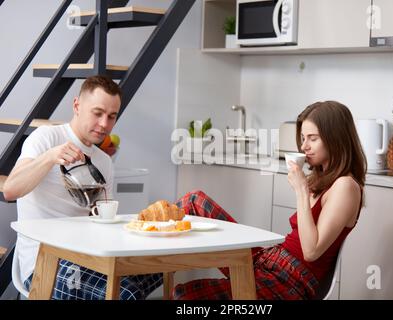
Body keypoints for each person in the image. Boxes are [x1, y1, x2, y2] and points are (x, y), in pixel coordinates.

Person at [172, 101, 367, 300]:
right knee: (195, 201)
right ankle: (138, 284)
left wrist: (301, 190)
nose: (304, 146)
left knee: (182, 295)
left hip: (287, 281)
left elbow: (311, 251)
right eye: (302, 138)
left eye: (312, 138)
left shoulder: (346, 187)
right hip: (269, 260)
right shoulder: (320, 181)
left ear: (335, 138)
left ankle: (138, 287)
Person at [3, 75, 162, 300]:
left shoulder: (103, 161)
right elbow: (10, 190)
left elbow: (101, 219)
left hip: (86, 256)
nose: (104, 124)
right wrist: (50, 157)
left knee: (162, 267)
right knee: (126, 294)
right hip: (45, 262)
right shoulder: (46, 138)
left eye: (112, 116)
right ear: (77, 105)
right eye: (97, 113)